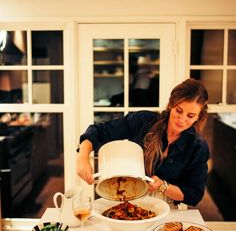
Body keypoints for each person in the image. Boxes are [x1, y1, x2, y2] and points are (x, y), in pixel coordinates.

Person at [77, 78, 209, 207]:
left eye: (190, 116)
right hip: (125, 199)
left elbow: (194, 195)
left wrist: (163, 186)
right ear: (171, 105)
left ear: (198, 117)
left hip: (165, 208)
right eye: (178, 110)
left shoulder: (198, 147)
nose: (182, 119)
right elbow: (99, 131)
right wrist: (82, 158)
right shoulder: (144, 121)